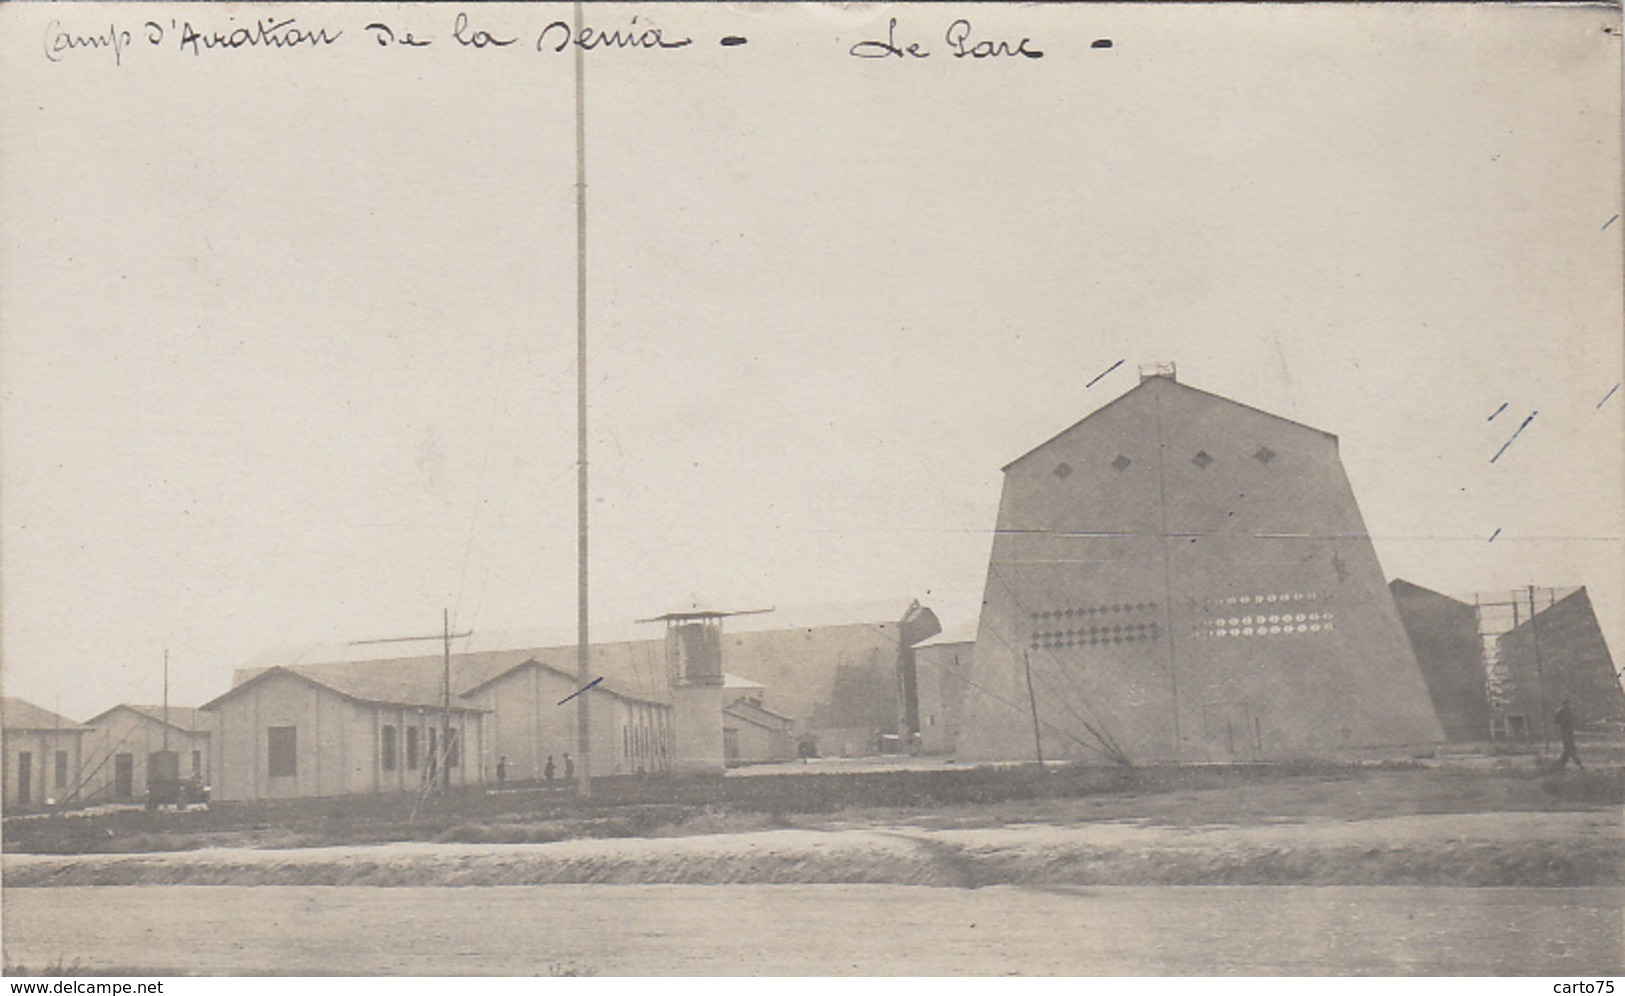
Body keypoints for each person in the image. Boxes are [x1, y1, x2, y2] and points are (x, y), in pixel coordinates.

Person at [1554, 700, 1584, 770]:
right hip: (1566, 731)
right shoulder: (1565, 711)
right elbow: (1557, 721)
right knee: (1570, 748)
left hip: (1566, 731)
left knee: (1568, 748)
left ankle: (1561, 764)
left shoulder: (1562, 711)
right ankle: (1578, 763)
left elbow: (1556, 722)